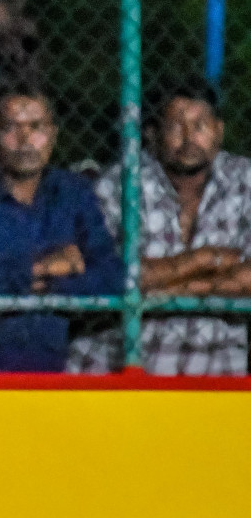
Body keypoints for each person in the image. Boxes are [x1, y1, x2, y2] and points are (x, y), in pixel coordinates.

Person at [0, 85, 122, 371]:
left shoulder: (73, 193)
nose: (25, 139)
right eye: (10, 127)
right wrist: (38, 269)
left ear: (53, 134)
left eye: (36, 127)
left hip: (49, 366)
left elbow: (112, 278)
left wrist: (50, 290)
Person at [90, 78, 251, 376]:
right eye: (176, 127)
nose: (189, 137)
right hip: (128, 361)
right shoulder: (121, 183)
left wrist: (170, 287)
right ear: (153, 134)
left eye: (200, 125)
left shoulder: (245, 180)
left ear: (219, 131)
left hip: (218, 363)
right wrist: (204, 260)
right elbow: (115, 277)